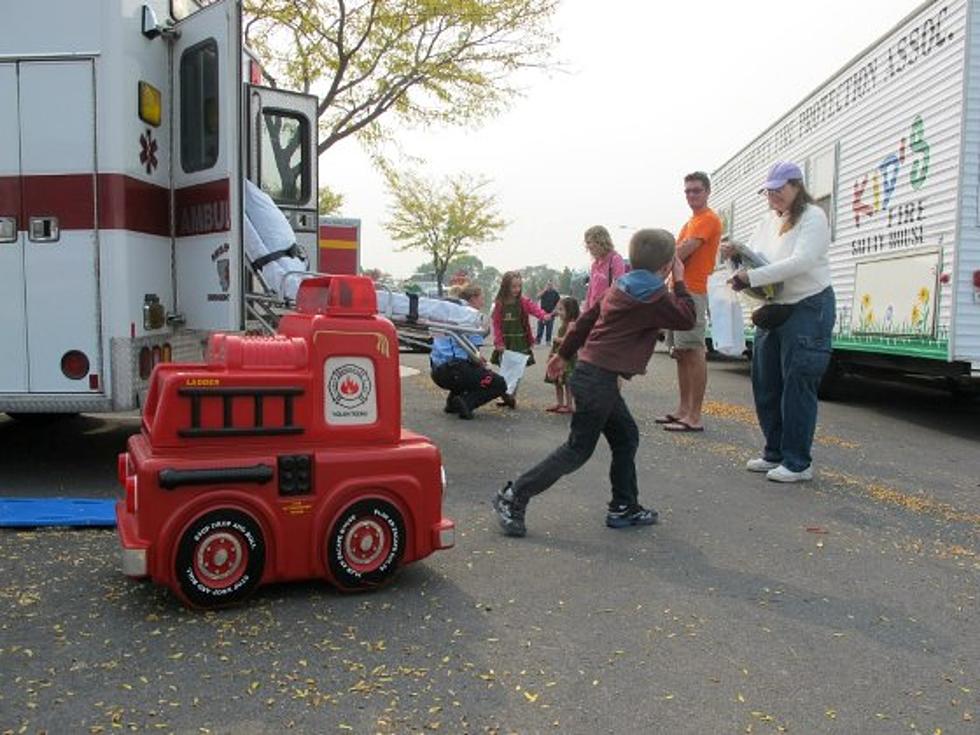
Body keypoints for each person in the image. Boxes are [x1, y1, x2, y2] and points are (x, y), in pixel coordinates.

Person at [492, 229, 696, 537]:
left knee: (626, 436)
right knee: (577, 449)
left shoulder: (619, 285)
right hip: (598, 380)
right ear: (668, 264)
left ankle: (624, 507)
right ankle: (513, 496)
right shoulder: (655, 295)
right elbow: (687, 318)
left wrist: (563, 354)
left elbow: (586, 321)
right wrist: (680, 281)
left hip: (591, 372)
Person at [724, 161, 835, 483]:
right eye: (768, 192)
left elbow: (802, 261)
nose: (772, 197)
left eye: (778, 190)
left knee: (797, 384)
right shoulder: (768, 220)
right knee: (766, 382)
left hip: (808, 305)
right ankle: (774, 451)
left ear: (796, 186)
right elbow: (756, 253)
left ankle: (798, 462)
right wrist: (736, 255)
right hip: (775, 306)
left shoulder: (813, 216)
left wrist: (751, 276)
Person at [658, 171, 723, 433]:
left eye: (696, 190)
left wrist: (659, 267)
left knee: (694, 351)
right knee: (680, 352)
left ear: (707, 192)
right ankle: (683, 409)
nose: (691, 195)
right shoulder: (690, 222)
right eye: (687, 191)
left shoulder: (708, 220)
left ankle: (694, 416)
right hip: (679, 289)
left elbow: (682, 252)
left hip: (694, 291)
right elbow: (675, 252)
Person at [429, 283, 507, 420]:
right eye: (481, 298)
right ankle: (467, 403)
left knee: (471, 373)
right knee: (499, 383)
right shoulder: (470, 318)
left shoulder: (449, 314)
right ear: (473, 299)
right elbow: (474, 355)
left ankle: (453, 403)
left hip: (437, 371)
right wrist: (485, 368)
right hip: (454, 370)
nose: (483, 302)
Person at [490, 271, 553, 408]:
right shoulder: (499, 304)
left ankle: (511, 396)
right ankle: (507, 395)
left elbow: (535, 309)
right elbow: (496, 324)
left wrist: (544, 316)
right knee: (505, 368)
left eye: (519, 286)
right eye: (513, 286)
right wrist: (499, 342)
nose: (516, 289)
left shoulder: (523, 301)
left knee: (517, 370)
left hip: (520, 341)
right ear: (505, 286)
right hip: (505, 341)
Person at [544, 296, 580, 414]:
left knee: (567, 382)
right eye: (558, 309)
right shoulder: (563, 324)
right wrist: (551, 355)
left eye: (561, 310)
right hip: (558, 355)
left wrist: (556, 339)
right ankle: (559, 403)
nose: (558, 312)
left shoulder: (571, 324)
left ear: (570, 311)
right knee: (558, 382)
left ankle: (569, 405)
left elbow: (568, 340)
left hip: (567, 358)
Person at [583, 225, 627, 310]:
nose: (587, 246)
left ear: (600, 241)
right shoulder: (594, 265)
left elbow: (620, 288)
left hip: (608, 311)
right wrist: (585, 312)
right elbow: (590, 291)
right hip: (594, 312)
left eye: (589, 242)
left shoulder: (615, 259)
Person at [535, 280, 561, 345]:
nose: (550, 286)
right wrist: (544, 290)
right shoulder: (544, 292)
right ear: (546, 285)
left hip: (551, 313)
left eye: (551, 285)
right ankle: (538, 340)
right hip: (542, 313)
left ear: (553, 285)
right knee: (540, 328)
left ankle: (548, 341)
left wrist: (556, 310)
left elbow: (559, 302)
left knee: (549, 328)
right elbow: (537, 297)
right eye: (548, 285)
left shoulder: (555, 293)